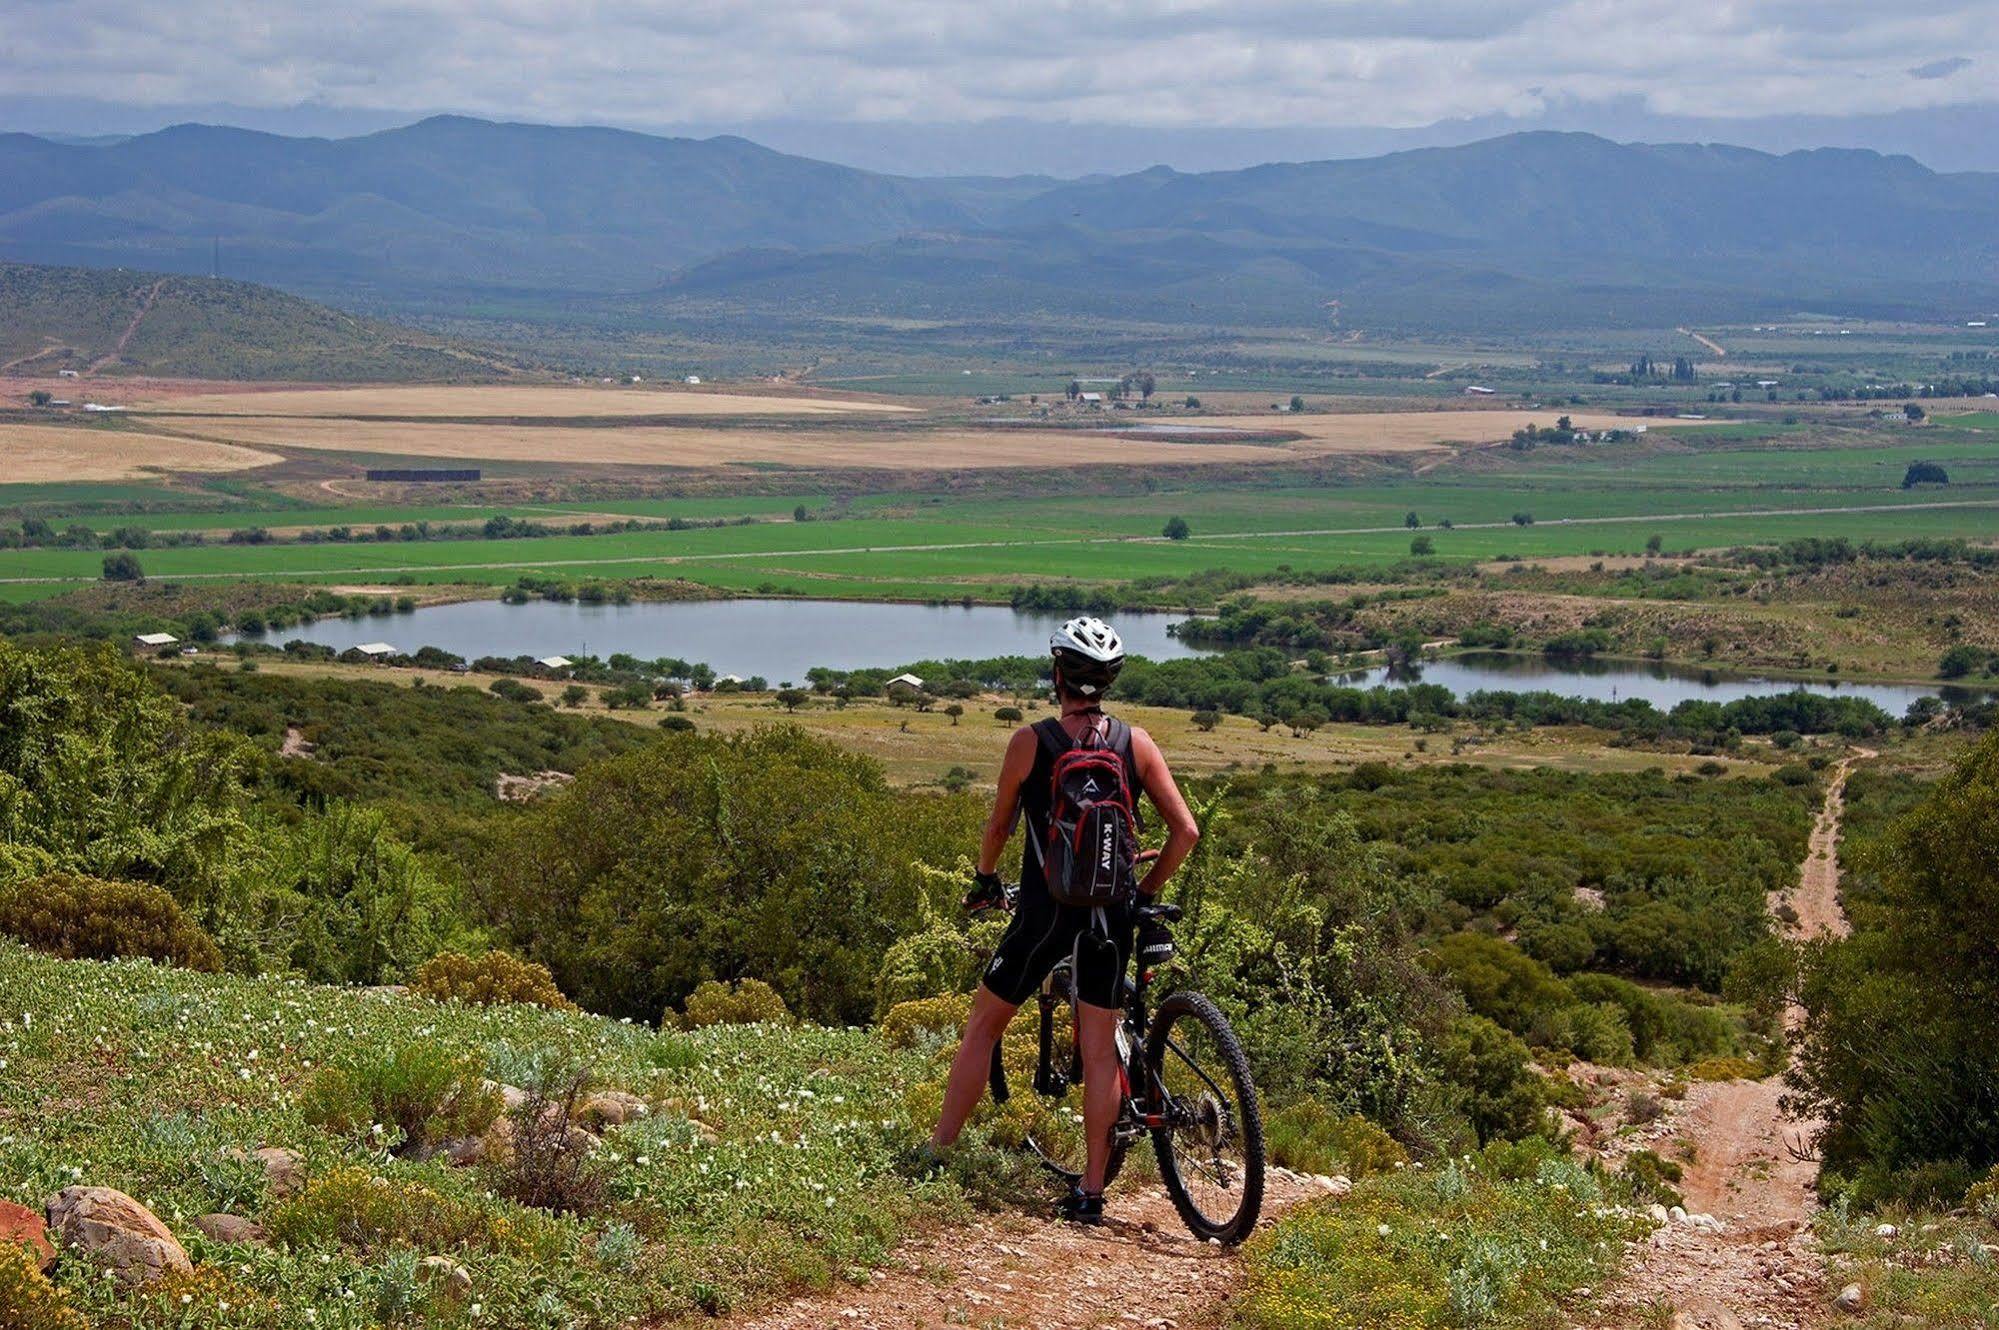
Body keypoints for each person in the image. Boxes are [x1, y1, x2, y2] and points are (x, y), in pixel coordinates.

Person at [927, 615, 1201, 1224]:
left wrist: (984, 878)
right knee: (1102, 1053)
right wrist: (1143, 891)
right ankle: (1091, 1191)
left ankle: (938, 1153)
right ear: (1107, 681)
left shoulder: (1033, 742)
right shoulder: (1138, 743)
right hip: (1111, 918)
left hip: (1045, 916)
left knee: (983, 1027)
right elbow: (1186, 832)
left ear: (1058, 674)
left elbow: (999, 824)